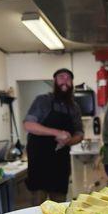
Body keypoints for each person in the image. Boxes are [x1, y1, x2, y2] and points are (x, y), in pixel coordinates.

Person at [24, 68, 83, 203]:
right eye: (61, 77)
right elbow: (28, 125)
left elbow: (80, 134)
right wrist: (57, 133)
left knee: (59, 207)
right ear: (55, 81)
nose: (65, 81)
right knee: (37, 208)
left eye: (69, 78)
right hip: (40, 164)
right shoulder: (42, 101)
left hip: (60, 165)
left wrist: (68, 141)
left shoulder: (74, 107)